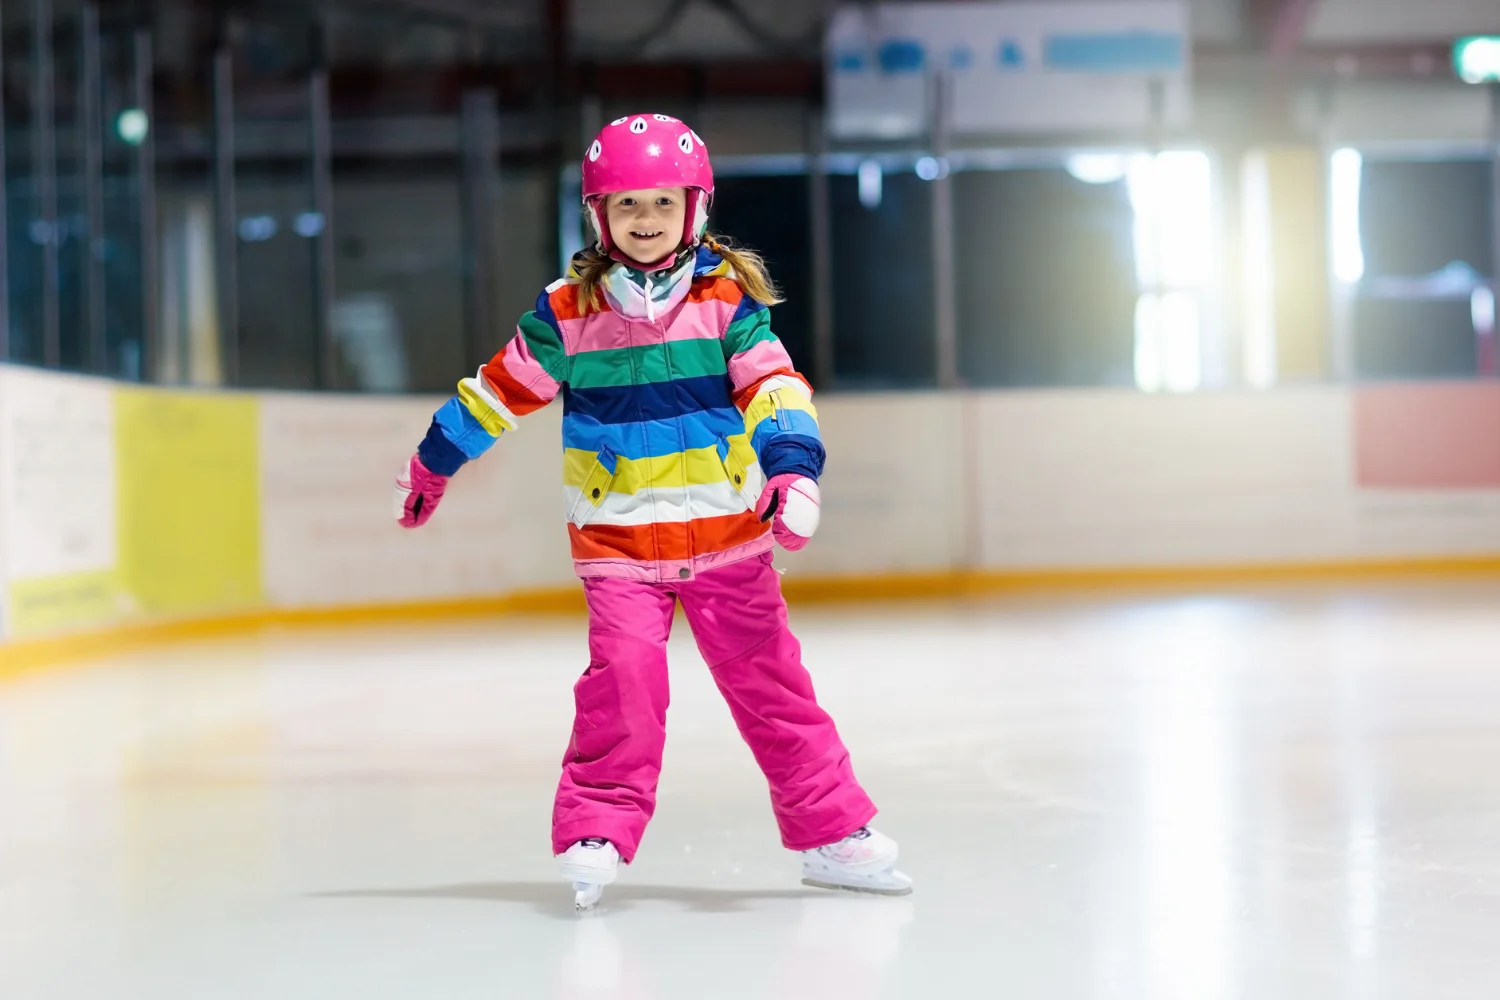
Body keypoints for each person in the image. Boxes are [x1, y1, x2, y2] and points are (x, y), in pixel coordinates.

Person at [393, 113, 910, 910]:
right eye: (627, 204)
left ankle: (831, 833)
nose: (645, 219)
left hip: (728, 537)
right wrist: (435, 460)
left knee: (774, 687)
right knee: (625, 681)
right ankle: (597, 828)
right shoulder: (569, 313)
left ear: (693, 210)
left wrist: (793, 468)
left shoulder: (725, 302)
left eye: (663, 203)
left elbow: (774, 386)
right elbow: (496, 393)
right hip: (620, 542)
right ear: (599, 216)